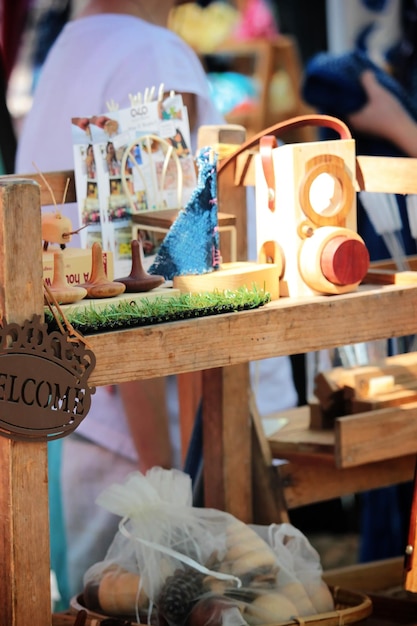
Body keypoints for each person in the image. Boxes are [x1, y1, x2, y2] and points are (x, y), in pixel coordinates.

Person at [15, 0, 298, 604]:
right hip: (159, 456)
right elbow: (153, 278)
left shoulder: (71, 44)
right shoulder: (152, 55)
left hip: (93, 432)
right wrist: (166, 504)